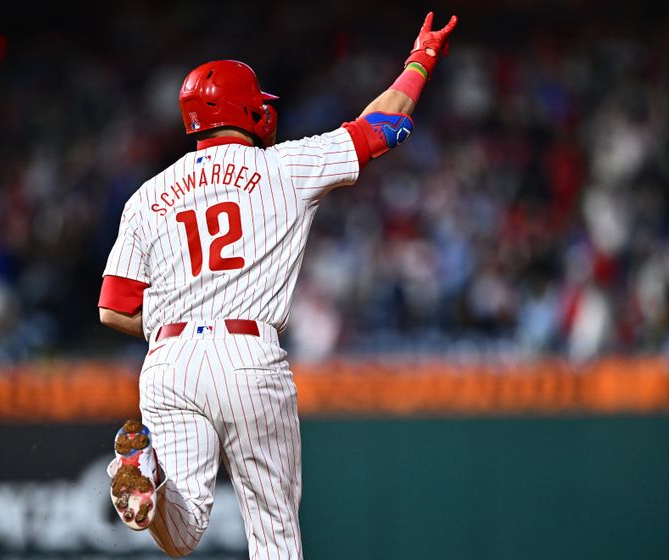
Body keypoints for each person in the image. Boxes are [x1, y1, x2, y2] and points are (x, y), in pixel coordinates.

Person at [98, 11, 458, 559]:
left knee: (182, 533)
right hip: (247, 352)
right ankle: (154, 479)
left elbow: (113, 309)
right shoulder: (283, 166)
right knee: (275, 536)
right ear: (244, 108)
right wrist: (419, 61)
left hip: (167, 361)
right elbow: (383, 128)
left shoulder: (147, 196)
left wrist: (180, 327)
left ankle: (145, 474)